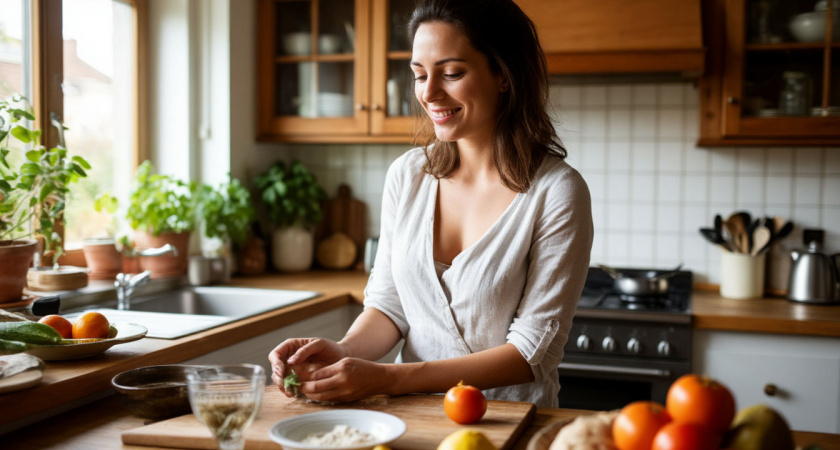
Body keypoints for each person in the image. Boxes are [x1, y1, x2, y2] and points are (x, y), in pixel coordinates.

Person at [269, 0, 593, 408]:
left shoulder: (557, 192)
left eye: (452, 73)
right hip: (414, 419)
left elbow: (531, 353)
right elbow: (390, 306)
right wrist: (343, 350)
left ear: (504, 75)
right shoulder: (407, 176)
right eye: (419, 75)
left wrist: (388, 377)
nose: (428, 92)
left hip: (510, 422)